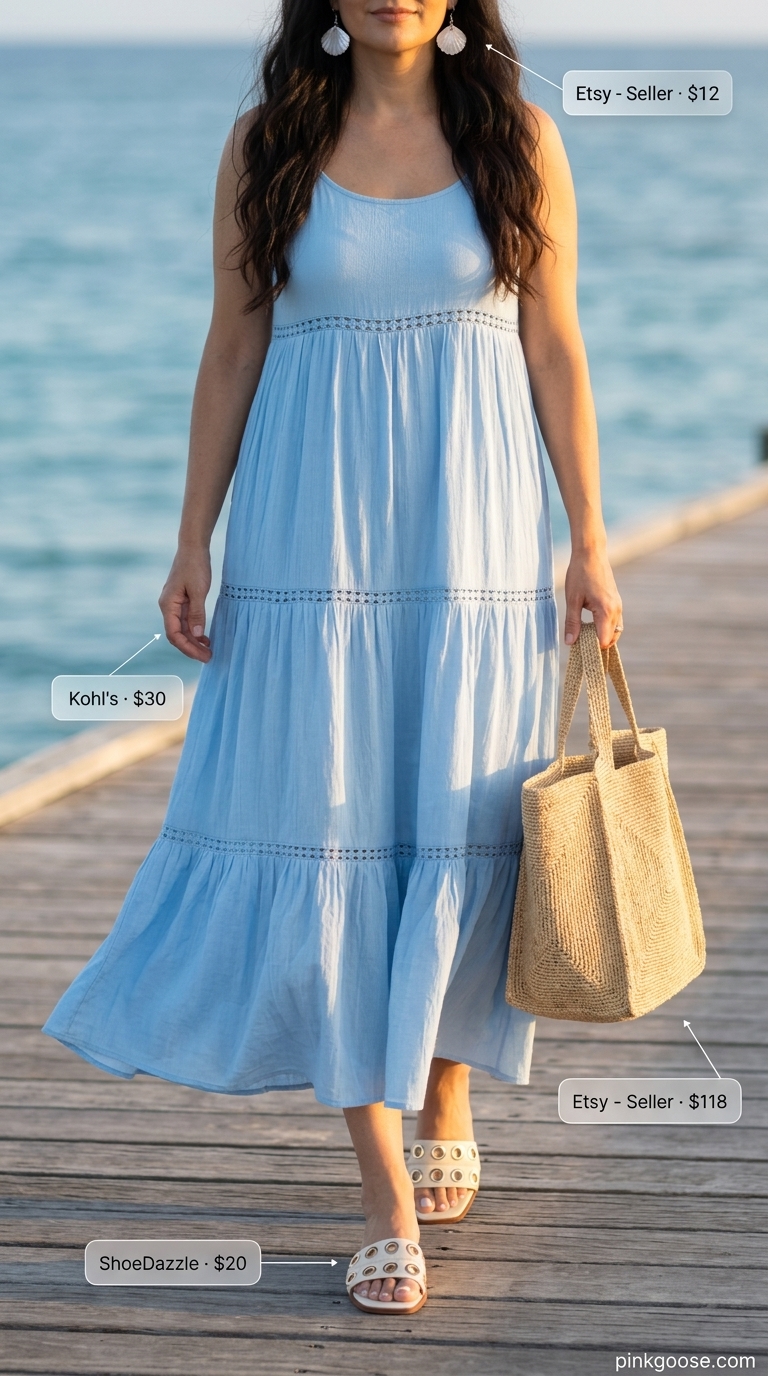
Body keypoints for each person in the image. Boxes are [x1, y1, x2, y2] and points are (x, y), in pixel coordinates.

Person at [42, 0, 622, 1316]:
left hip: (475, 544)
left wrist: (591, 541)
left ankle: (448, 1082)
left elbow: (555, 343)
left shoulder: (520, 139)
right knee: (336, 827)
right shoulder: (269, 144)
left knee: (460, 821)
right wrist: (191, 539)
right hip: (316, 544)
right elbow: (233, 344)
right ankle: (381, 1193)